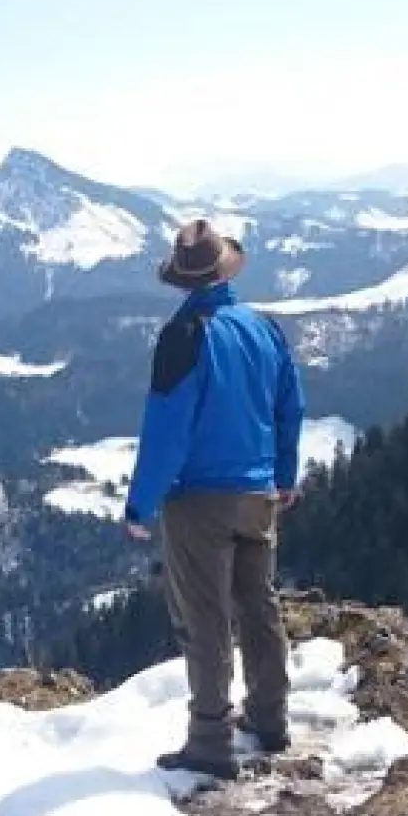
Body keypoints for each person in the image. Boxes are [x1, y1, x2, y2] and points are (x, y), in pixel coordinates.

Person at [123, 218, 305, 780]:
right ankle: (269, 719)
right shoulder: (263, 329)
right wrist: (283, 476)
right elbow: (289, 409)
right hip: (258, 495)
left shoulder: (184, 337)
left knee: (203, 619)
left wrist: (140, 504)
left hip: (200, 500)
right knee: (259, 606)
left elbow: (167, 431)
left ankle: (209, 741)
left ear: (181, 279)